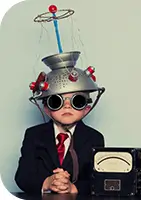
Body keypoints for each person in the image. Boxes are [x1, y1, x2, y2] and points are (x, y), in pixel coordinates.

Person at [15, 51, 105, 194]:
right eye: (57, 101)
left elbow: (97, 179)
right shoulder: (33, 135)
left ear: (86, 109)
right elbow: (22, 177)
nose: (67, 106)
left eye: (77, 101)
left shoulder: (94, 138)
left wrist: (73, 188)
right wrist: (47, 182)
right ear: (47, 109)